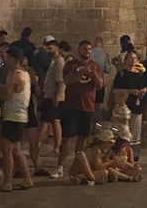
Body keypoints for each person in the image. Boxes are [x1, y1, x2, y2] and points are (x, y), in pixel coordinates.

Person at [54, 39, 104, 178]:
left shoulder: (95, 66)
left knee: (82, 139)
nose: (87, 51)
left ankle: (77, 166)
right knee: (67, 138)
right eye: (84, 49)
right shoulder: (70, 65)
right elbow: (68, 81)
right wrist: (81, 72)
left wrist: (93, 73)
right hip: (71, 106)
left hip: (88, 107)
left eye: (89, 49)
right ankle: (60, 167)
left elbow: (100, 85)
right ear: (79, 50)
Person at [0, 44, 33, 192]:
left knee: (7, 150)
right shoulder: (25, 74)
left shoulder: (15, 75)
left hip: (13, 115)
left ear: (13, 58)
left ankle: (7, 182)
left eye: (7, 57)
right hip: (20, 115)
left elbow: (8, 96)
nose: (5, 60)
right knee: (16, 150)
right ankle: (27, 179)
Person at [112, 50, 147, 159]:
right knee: (123, 131)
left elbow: (146, 86)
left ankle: (134, 155)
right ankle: (122, 154)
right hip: (125, 105)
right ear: (126, 60)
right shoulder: (122, 74)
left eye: (135, 58)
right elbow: (116, 89)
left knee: (135, 131)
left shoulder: (140, 73)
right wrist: (130, 91)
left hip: (137, 105)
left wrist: (143, 91)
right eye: (130, 58)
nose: (133, 61)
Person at [40, 40, 65, 151]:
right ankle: (56, 146)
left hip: (53, 97)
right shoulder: (53, 61)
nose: (48, 51)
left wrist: (57, 96)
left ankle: (38, 144)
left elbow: (60, 81)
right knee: (53, 121)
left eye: (50, 48)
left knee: (49, 121)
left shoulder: (59, 62)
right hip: (49, 96)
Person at [90, 37, 111, 119]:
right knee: (97, 102)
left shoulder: (90, 53)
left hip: (90, 80)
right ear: (102, 44)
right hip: (100, 79)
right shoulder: (105, 55)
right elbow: (107, 69)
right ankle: (96, 120)